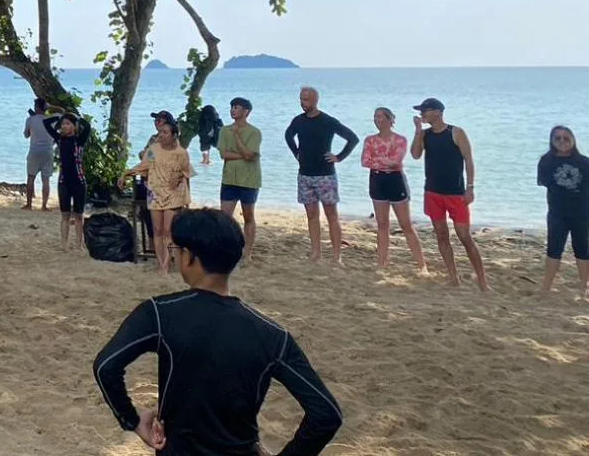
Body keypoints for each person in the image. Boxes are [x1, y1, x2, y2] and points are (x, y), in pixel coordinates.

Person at [93, 209, 343, 456]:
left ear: (190, 257)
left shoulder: (159, 313)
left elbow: (106, 366)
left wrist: (133, 420)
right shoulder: (273, 336)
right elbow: (326, 413)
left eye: (176, 251)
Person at [410, 98, 488, 291]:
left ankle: (482, 281)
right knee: (442, 235)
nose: (422, 114)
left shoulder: (456, 132)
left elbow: (469, 161)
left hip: (456, 193)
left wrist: (470, 187)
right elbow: (415, 154)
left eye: (425, 111)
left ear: (437, 112)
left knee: (464, 236)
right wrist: (418, 132)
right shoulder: (425, 134)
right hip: (433, 192)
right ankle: (454, 277)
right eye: (421, 112)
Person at [284, 87, 358, 265]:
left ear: (315, 100)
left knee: (331, 215)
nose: (303, 103)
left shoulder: (327, 121)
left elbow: (352, 138)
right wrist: (296, 153)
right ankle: (316, 252)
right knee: (311, 215)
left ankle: (336, 256)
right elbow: (288, 135)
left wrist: (338, 157)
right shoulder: (298, 121)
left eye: (306, 100)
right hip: (305, 175)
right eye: (301, 99)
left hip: (325, 175)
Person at [360, 108, 427, 273]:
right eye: (375, 117)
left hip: (395, 180)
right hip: (377, 180)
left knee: (406, 225)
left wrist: (379, 160)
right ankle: (382, 264)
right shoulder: (370, 140)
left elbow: (396, 161)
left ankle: (422, 265)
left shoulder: (400, 140)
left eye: (380, 117)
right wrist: (384, 162)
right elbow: (365, 161)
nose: (377, 120)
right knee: (382, 224)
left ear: (390, 120)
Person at [126, 113, 193, 274]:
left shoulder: (180, 152)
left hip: (172, 194)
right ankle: (160, 262)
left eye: (165, 131)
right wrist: (126, 174)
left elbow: (186, 171)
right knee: (157, 230)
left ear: (173, 133)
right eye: (160, 131)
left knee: (168, 230)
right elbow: (144, 164)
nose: (161, 134)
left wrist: (180, 182)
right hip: (154, 191)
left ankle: (166, 263)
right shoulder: (153, 147)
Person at [537, 125, 589, 298]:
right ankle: (546, 286)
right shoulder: (546, 161)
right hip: (557, 213)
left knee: (582, 249)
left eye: (566, 138)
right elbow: (546, 183)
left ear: (573, 140)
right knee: (554, 249)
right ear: (552, 141)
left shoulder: (584, 163)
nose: (562, 141)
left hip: (582, 213)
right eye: (557, 138)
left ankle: (583, 287)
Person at [217, 98, 262, 256]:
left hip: (249, 180)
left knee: (248, 216)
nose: (232, 110)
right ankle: (227, 248)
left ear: (246, 111)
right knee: (224, 218)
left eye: (236, 107)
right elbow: (224, 154)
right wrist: (244, 155)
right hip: (229, 179)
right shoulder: (224, 130)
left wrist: (236, 136)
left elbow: (250, 155)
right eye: (231, 107)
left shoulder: (254, 132)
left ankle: (247, 252)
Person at [42, 109, 91, 251]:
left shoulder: (79, 140)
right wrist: (57, 116)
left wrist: (77, 118)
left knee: (78, 215)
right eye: (63, 124)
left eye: (67, 123)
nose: (64, 126)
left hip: (79, 181)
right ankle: (64, 243)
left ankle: (79, 244)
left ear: (74, 126)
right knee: (64, 215)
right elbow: (46, 123)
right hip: (64, 181)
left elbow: (87, 127)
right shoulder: (59, 139)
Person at [24, 98, 55, 211]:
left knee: (31, 177)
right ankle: (44, 206)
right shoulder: (51, 119)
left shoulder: (30, 120)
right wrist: (51, 107)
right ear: (45, 107)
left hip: (34, 151)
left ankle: (29, 204)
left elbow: (26, 135)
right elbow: (63, 111)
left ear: (36, 107)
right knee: (46, 180)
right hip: (48, 151)